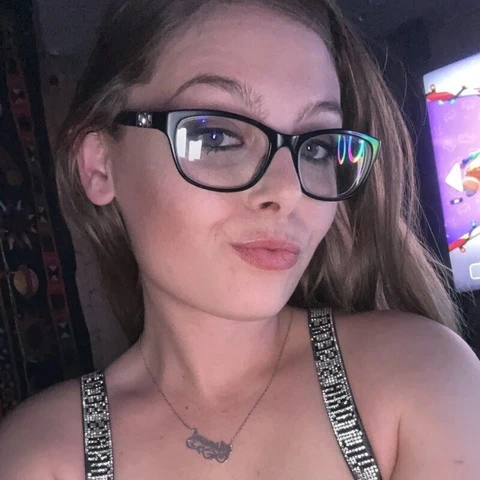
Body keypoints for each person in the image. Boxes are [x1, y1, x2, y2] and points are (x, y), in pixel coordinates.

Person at [1, 0, 480, 478]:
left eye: (316, 147)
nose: (288, 192)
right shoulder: (40, 455)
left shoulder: (420, 378)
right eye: (217, 137)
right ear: (100, 166)